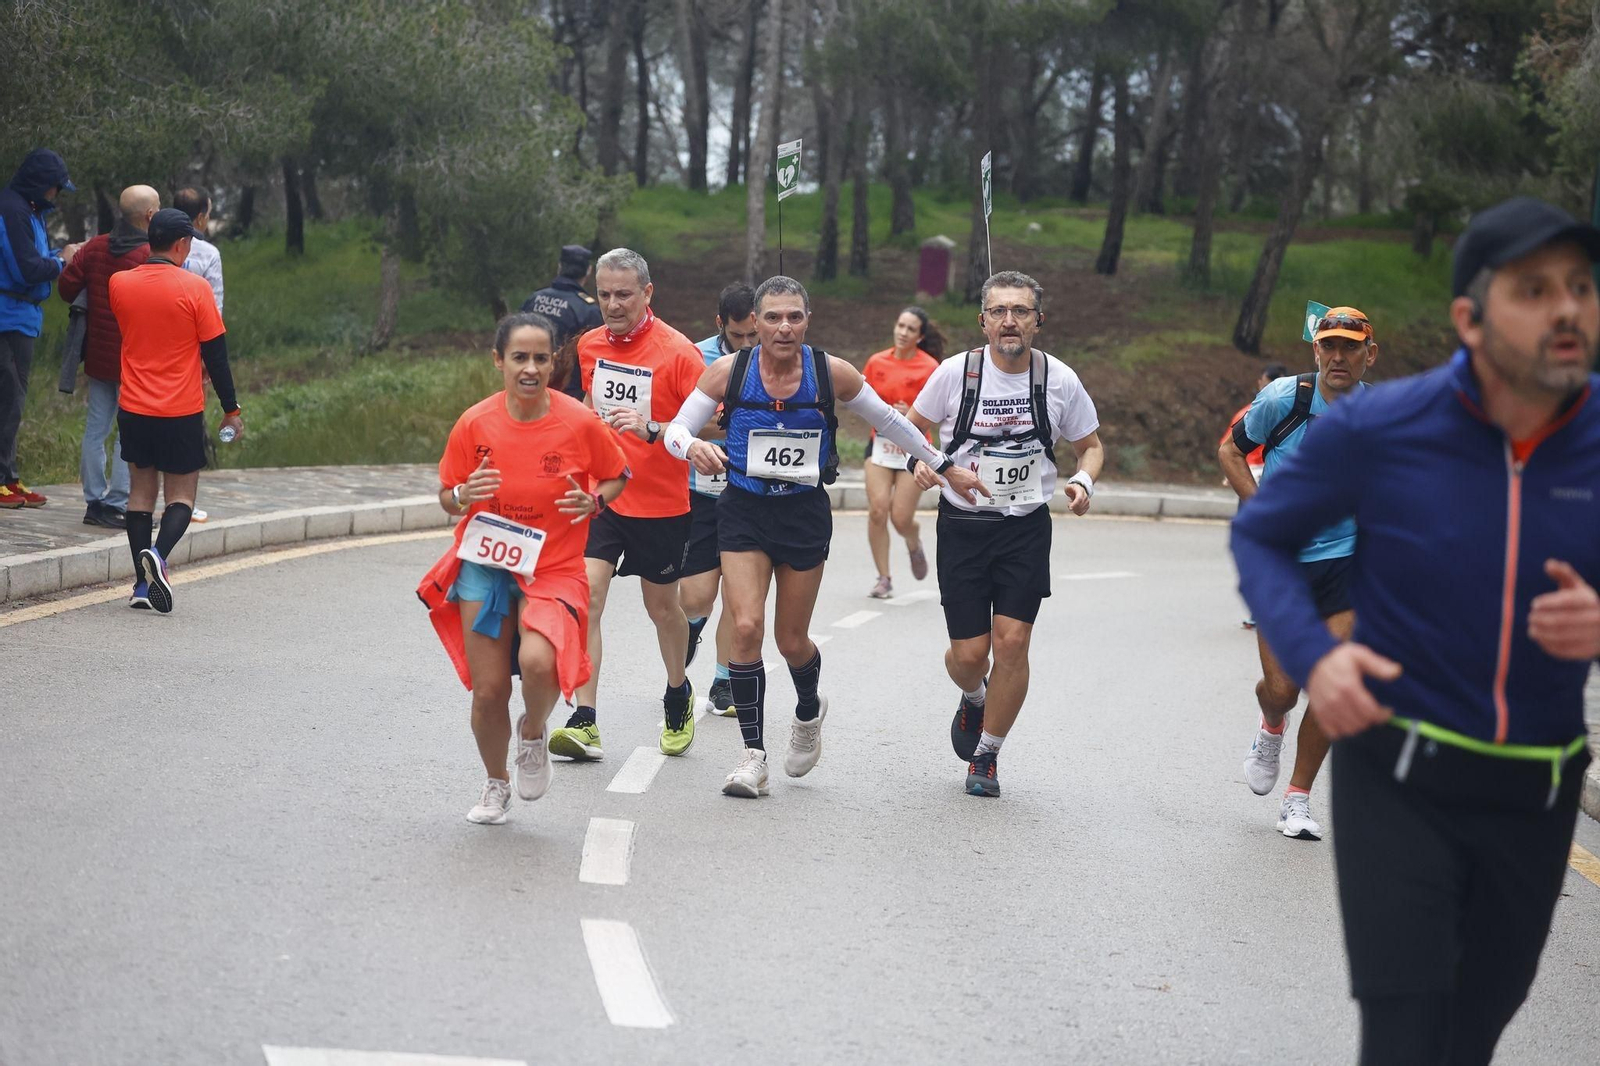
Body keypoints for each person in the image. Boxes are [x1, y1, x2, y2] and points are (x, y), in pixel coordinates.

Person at [1231, 196, 1600, 1065]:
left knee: (1476, 1025)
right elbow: (1262, 532)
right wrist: (1318, 660)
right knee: (1403, 1032)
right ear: (1469, 317)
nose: (1568, 309)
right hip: (1398, 768)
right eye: (1535, 289)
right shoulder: (1380, 428)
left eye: (1582, 286)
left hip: (1538, 780)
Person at [664, 275, 988, 798]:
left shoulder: (829, 372)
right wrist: (690, 448)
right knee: (745, 627)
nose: (783, 327)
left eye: (794, 316)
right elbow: (677, 429)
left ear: (807, 320)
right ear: (755, 323)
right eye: (772, 317)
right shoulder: (730, 371)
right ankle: (752, 755)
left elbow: (892, 422)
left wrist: (942, 466)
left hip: (803, 513)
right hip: (744, 508)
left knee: (791, 640)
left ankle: (809, 710)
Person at [417, 311, 629, 825]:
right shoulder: (475, 422)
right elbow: (447, 494)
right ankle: (495, 784)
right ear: (499, 361)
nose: (530, 368)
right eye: (519, 358)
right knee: (489, 689)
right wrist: (464, 494)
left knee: (539, 662)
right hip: (487, 565)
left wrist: (594, 503)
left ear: (554, 361)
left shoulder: (579, 421)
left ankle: (532, 731)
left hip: (554, 566)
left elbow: (618, 473)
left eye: (540, 358)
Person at [906, 270, 1104, 798]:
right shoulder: (956, 373)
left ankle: (987, 755)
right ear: (983, 321)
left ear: (1039, 320)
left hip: (1025, 528)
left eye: (1020, 311)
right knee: (970, 656)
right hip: (964, 525)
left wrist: (1083, 481)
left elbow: (1091, 445)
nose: (1009, 320)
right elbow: (911, 428)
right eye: (999, 311)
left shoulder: (1059, 379)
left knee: (1012, 642)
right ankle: (974, 697)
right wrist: (924, 464)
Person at [1219, 310, 1378, 840]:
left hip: (1347, 561)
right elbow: (1231, 450)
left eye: (1349, 348)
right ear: (1315, 351)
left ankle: (1298, 798)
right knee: (1284, 689)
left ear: (1368, 356)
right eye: (1328, 346)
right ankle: (1271, 726)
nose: (1338, 357)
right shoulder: (1285, 399)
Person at [545, 248, 706, 761]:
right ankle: (585, 718)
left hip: (661, 503)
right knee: (587, 595)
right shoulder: (590, 344)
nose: (613, 305)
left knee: (662, 608)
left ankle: (677, 691)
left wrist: (654, 429)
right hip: (603, 498)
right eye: (606, 294)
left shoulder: (678, 353)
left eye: (624, 295)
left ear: (647, 293)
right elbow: (590, 408)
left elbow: (714, 421)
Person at [108, 209, 242, 613]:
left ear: (151, 240)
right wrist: (231, 409)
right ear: (182, 244)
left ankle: (141, 585)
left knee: (139, 495)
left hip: (133, 406)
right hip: (180, 410)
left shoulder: (119, 284)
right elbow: (215, 356)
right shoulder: (195, 288)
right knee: (181, 495)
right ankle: (159, 556)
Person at [57, 185, 159, 529]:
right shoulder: (148, 254)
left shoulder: (96, 246)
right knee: (126, 432)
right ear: (149, 216)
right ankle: (117, 502)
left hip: (99, 358)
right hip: (135, 360)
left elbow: (66, 288)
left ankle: (93, 501)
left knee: (96, 428)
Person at [682, 282, 761, 716]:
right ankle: (691, 627)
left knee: (738, 595)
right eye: (738, 337)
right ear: (720, 326)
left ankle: (723, 680)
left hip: (750, 493)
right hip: (699, 493)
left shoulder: (780, 358)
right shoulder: (696, 359)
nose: (748, 346)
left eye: (754, 335)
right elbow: (683, 425)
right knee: (696, 598)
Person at [0, 148, 82, 510]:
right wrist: (61, 260)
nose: (56, 196)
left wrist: (57, 257)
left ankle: (9, 478)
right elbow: (28, 269)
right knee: (7, 400)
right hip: (7, 317)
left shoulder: (30, 209)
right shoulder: (12, 209)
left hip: (23, 318)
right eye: (55, 188)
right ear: (39, 183)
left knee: (13, 401)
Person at [863, 306, 943, 598]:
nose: (903, 332)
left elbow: (939, 413)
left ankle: (913, 539)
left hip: (915, 448)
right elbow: (862, 400)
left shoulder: (930, 367)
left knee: (900, 517)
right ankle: (884, 577)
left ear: (920, 336)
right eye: (900, 325)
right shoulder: (876, 361)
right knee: (877, 510)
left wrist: (909, 414)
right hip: (880, 445)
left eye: (910, 329)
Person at [1224, 362, 1288, 628]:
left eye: (1262, 380)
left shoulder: (1262, 409)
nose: (1259, 384)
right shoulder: (1255, 412)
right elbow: (1229, 450)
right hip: (1257, 485)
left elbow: (1228, 447)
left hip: (1266, 483)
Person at [521, 244, 603, 400]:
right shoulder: (588, 310)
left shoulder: (534, 298)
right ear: (588, 271)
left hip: (528, 385)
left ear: (560, 267)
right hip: (567, 395)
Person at [173, 186, 223, 313]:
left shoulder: (157, 244)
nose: (208, 218)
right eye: (208, 214)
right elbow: (215, 303)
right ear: (200, 218)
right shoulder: (210, 254)